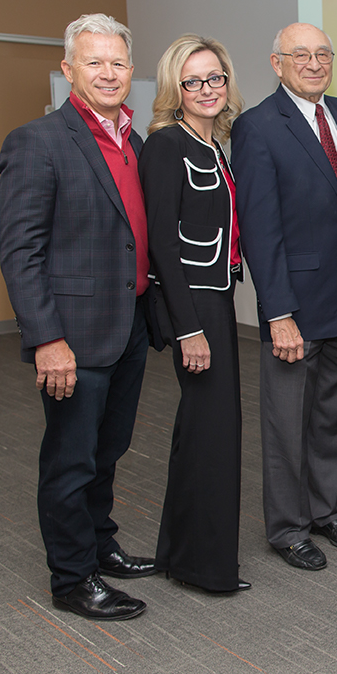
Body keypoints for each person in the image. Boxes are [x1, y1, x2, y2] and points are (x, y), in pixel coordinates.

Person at [0, 13, 156, 621]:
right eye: (94, 62)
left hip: (129, 323)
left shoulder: (133, 140)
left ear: (131, 71)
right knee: (70, 459)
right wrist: (47, 339)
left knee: (108, 449)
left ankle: (100, 545)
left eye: (117, 62)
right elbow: (21, 252)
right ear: (68, 70)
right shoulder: (36, 141)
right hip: (72, 334)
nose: (108, 73)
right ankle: (72, 578)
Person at [232, 23, 337, 571]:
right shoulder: (257, 127)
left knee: (335, 415)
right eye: (300, 55)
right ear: (276, 62)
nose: (313, 63)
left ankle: (326, 509)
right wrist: (278, 315)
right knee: (286, 423)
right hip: (295, 306)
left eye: (322, 54)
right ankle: (288, 527)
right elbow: (261, 231)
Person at [139, 35, 247, 593]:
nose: (207, 89)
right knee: (213, 432)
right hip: (195, 307)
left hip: (217, 298)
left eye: (215, 78)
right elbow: (160, 242)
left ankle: (185, 557)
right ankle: (207, 569)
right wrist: (189, 329)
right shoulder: (165, 146)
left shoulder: (213, 145)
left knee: (204, 430)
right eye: (194, 80)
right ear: (174, 90)